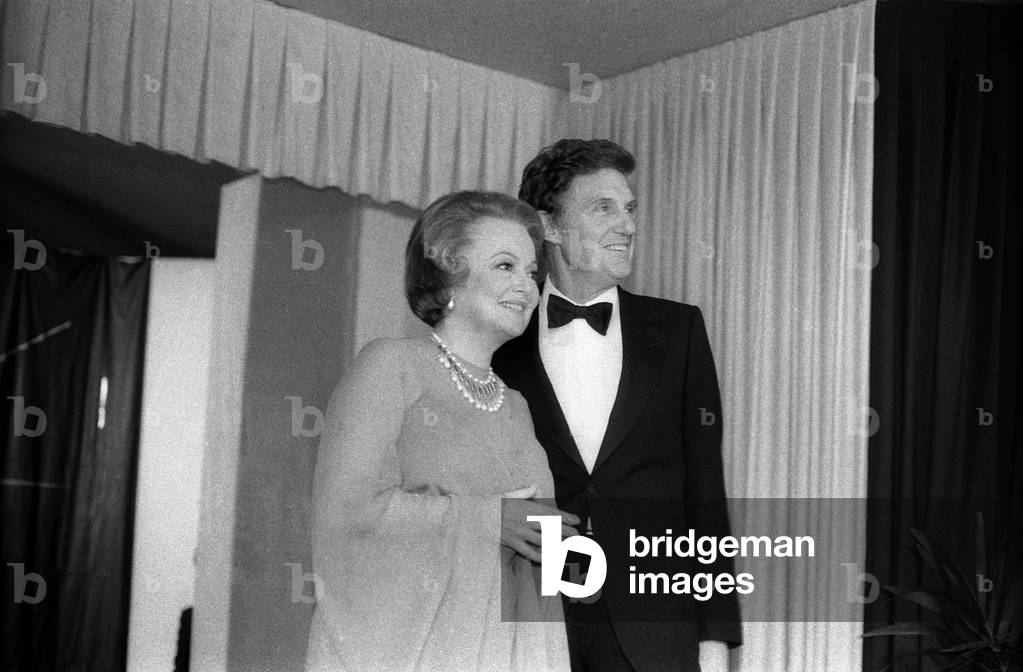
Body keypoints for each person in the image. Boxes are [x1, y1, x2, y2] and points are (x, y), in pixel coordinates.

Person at [493, 140, 742, 672]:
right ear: (550, 227)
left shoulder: (678, 332)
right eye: (603, 207)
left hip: (658, 629)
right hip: (535, 625)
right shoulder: (498, 344)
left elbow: (705, 493)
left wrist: (715, 638)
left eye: (629, 208)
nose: (627, 225)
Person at [306, 191, 578, 672]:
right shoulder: (390, 365)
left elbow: (543, 559)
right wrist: (487, 520)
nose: (529, 286)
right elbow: (347, 515)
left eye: (533, 272)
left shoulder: (515, 405)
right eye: (504, 266)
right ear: (447, 276)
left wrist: (569, 555)